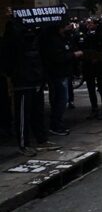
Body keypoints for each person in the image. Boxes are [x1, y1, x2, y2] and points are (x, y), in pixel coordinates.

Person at [3, 21, 62, 156]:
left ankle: (41, 140)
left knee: (38, 112)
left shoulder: (36, 40)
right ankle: (24, 144)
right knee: (23, 114)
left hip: (36, 79)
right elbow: (10, 45)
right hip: (23, 81)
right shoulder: (16, 41)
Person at [41, 21, 83, 135]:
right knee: (60, 100)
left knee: (62, 99)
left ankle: (57, 123)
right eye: (66, 25)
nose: (68, 26)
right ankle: (55, 124)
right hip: (58, 74)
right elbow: (58, 57)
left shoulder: (64, 38)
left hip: (64, 73)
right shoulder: (54, 41)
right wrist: (73, 55)